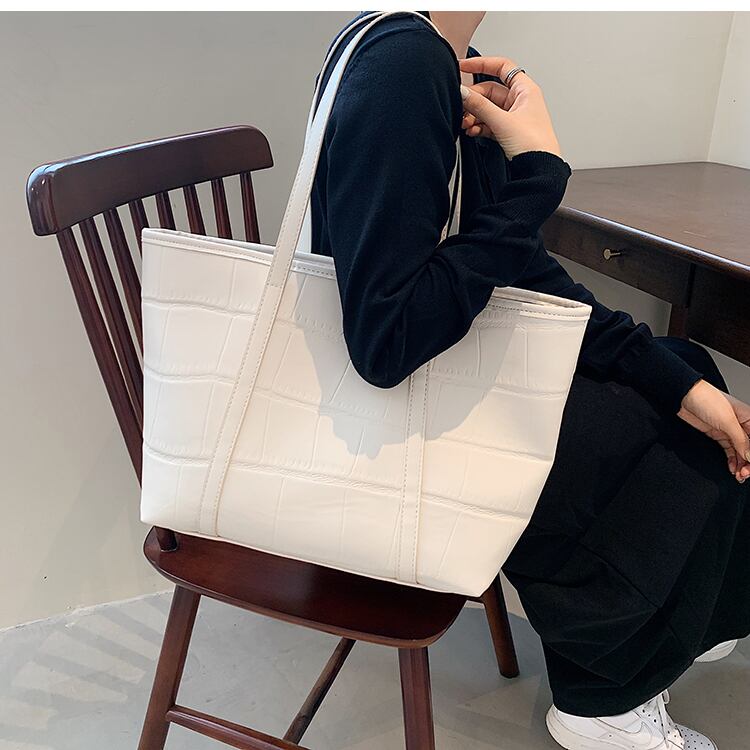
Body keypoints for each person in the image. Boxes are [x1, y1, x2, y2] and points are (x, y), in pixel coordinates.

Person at [310, 11, 750, 749]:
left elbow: (518, 270)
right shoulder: (401, 65)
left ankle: (678, 617)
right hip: (389, 425)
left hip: (436, 376)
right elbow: (385, 344)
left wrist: (681, 386)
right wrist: (537, 177)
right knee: (669, 447)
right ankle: (601, 702)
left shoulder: (444, 60)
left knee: (687, 374)